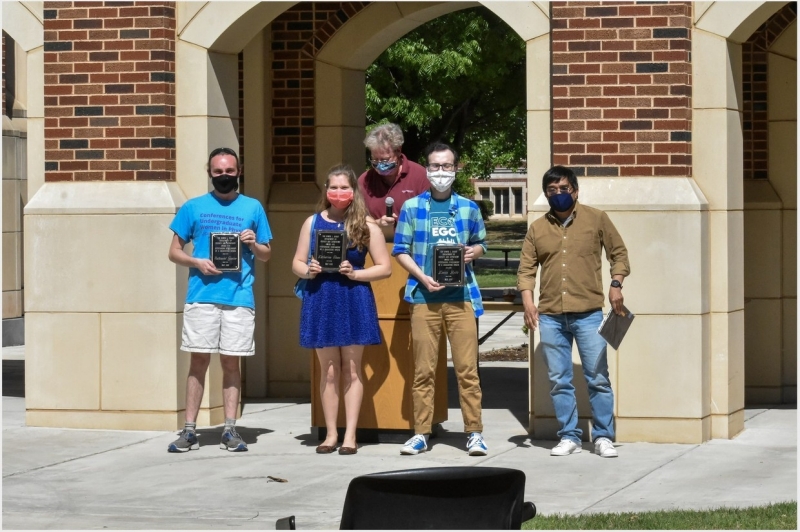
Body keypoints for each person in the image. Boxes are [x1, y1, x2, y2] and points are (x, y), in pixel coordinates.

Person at [516, 165, 630, 458]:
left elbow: (619, 253)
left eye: (563, 189)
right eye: (551, 191)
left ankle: (603, 436)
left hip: (589, 312)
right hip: (551, 315)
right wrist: (528, 303)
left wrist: (616, 284)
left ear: (575, 191)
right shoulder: (537, 229)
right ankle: (569, 436)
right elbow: (526, 270)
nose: (558, 195)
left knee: (598, 378)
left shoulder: (596, 219)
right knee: (559, 380)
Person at [167, 147, 272, 453]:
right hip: (202, 296)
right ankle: (189, 430)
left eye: (229, 171)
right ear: (209, 173)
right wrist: (197, 262)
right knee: (197, 361)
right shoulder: (193, 207)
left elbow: (267, 255)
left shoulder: (253, 208)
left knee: (231, 363)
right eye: (218, 172)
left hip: (239, 297)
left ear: (238, 172)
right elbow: (174, 251)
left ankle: (230, 429)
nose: (224, 176)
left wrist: (254, 243)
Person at [392, 142, 488, 457]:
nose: (441, 172)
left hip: (461, 298)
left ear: (456, 169)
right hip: (424, 297)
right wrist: (421, 276)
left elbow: (480, 243)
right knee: (423, 370)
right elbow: (400, 250)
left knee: (467, 370)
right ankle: (421, 432)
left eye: (447, 166)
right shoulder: (412, 208)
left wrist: (476, 251)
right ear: (427, 169)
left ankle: (474, 432)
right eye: (435, 166)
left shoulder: (469, 208)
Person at [293, 164, 392, 455]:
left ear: (354, 191)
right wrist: (308, 270)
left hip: (353, 296)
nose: (339, 193)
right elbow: (296, 262)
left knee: (351, 368)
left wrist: (356, 273)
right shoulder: (312, 223)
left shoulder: (367, 225)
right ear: (326, 190)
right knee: (329, 370)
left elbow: (384, 268)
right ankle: (330, 434)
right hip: (321, 296)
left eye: (344, 188)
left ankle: (350, 436)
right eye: (333, 187)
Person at [358, 123, 430, 241]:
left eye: (385, 159)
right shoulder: (364, 180)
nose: (380, 164)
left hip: (413, 247)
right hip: (375, 248)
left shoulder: (421, 176)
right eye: (375, 160)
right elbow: (354, 221)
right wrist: (377, 223)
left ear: (398, 151)